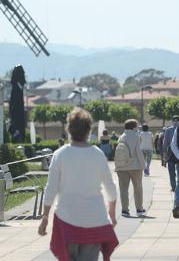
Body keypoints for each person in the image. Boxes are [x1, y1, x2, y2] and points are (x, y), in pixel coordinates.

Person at [38, 108, 119, 261]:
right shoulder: (97, 154)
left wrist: (45, 218)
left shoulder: (60, 154)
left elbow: (51, 189)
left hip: (66, 218)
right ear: (89, 130)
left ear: (68, 129)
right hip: (94, 220)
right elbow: (111, 189)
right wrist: (112, 214)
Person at [115, 119, 147, 218]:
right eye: (136, 126)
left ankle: (125, 210)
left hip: (121, 167)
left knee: (123, 189)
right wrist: (144, 165)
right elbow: (138, 152)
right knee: (137, 187)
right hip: (135, 167)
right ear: (133, 127)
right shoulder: (136, 136)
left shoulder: (121, 137)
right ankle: (139, 208)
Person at [161, 116, 179, 192]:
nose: (176, 122)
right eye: (174, 121)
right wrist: (164, 153)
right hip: (171, 151)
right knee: (171, 171)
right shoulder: (168, 130)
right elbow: (165, 142)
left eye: (177, 121)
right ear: (172, 121)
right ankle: (173, 186)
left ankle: (178, 185)